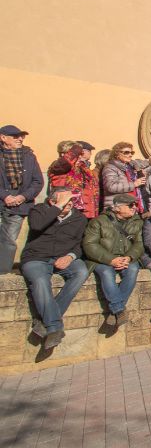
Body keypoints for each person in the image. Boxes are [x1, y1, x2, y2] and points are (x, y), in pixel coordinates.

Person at [20, 187, 89, 349]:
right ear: (52, 201)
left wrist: (70, 256)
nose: (70, 204)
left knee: (81, 271)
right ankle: (54, 327)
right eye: (66, 201)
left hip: (64, 258)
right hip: (36, 257)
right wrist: (57, 208)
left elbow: (80, 245)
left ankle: (45, 320)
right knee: (40, 281)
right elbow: (37, 226)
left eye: (71, 201)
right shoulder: (38, 211)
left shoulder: (79, 219)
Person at [84, 194, 145, 327]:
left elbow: (139, 244)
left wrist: (129, 257)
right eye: (130, 205)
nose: (134, 208)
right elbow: (90, 244)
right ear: (117, 208)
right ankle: (119, 309)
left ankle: (115, 312)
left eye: (135, 205)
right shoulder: (99, 221)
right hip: (102, 259)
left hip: (126, 257)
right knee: (106, 273)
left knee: (133, 269)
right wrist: (111, 260)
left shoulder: (137, 222)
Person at [0, 125, 44, 274]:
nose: (20, 139)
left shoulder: (28, 156)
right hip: (3, 198)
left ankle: (2, 273)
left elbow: (38, 181)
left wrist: (22, 197)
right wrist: (5, 196)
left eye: (22, 136)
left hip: (19, 203)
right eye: (15, 136)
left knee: (9, 240)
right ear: (3, 137)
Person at [47, 141, 100, 219]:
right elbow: (65, 162)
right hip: (68, 210)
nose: (80, 156)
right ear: (63, 154)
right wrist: (77, 148)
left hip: (87, 211)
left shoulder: (83, 167)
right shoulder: (59, 166)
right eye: (77, 154)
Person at [101, 142, 146, 213]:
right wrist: (133, 184)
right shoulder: (110, 168)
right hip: (116, 208)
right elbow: (111, 187)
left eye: (132, 152)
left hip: (131, 206)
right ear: (117, 154)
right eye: (126, 152)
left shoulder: (130, 168)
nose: (130, 155)